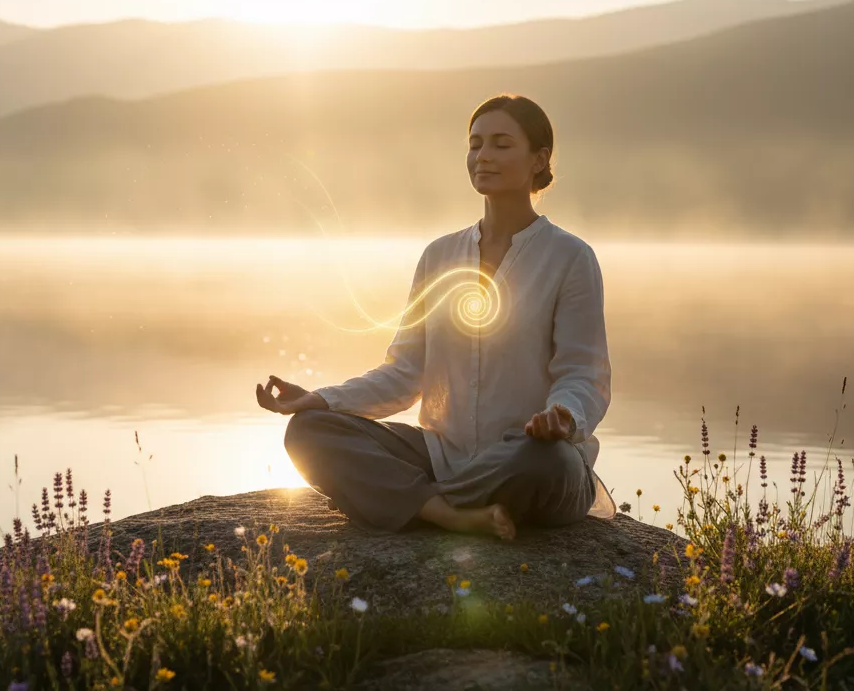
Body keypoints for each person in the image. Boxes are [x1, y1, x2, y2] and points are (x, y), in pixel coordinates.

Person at [255, 93, 616, 540]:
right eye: (475, 143)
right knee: (309, 432)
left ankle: (414, 499)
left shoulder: (570, 257)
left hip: (526, 458)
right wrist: (321, 399)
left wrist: (564, 415)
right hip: (442, 453)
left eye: (501, 144)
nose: (483, 156)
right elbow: (404, 374)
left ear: (539, 160)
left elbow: (584, 373)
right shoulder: (440, 255)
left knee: (553, 462)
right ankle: (448, 513)